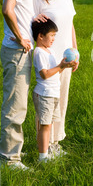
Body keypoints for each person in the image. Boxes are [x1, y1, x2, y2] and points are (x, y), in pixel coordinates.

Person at [0, 0, 49, 170]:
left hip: (20, 52)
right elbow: (7, 9)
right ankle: (9, 158)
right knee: (15, 106)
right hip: (17, 51)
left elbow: (16, 12)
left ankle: (12, 149)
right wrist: (20, 37)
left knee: (18, 105)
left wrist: (30, 21)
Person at [33, 0, 79, 157]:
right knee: (46, 103)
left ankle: (56, 143)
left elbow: (70, 25)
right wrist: (33, 20)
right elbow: (30, 25)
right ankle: (45, 145)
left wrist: (76, 52)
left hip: (66, 58)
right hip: (49, 59)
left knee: (61, 101)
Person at [31, 19, 74, 162]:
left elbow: (54, 72)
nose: (54, 39)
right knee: (45, 125)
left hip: (53, 94)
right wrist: (60, 66)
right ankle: (42, 157)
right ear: (40, 36)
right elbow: (44, 74)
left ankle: (46, 152)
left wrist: (64, 66)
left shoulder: (49, 51)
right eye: (51, 35)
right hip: (44, 94)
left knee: (48, 124)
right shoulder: (39, 52)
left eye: (55, 35)